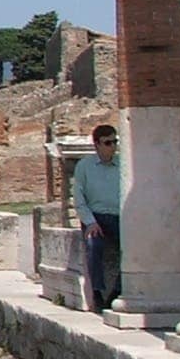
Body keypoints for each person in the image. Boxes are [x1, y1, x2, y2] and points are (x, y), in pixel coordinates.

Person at [74, 124, 123, 311]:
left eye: (115, 142)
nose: (112, 146)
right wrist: (90, 222)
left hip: (118, 217)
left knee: (133, 249)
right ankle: (97, 291)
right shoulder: (84, 167)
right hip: (96, 218)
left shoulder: (122, 165)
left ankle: (117, 290)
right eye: (108, 142)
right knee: (94, 246)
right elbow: (79, 199)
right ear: (97, 145)